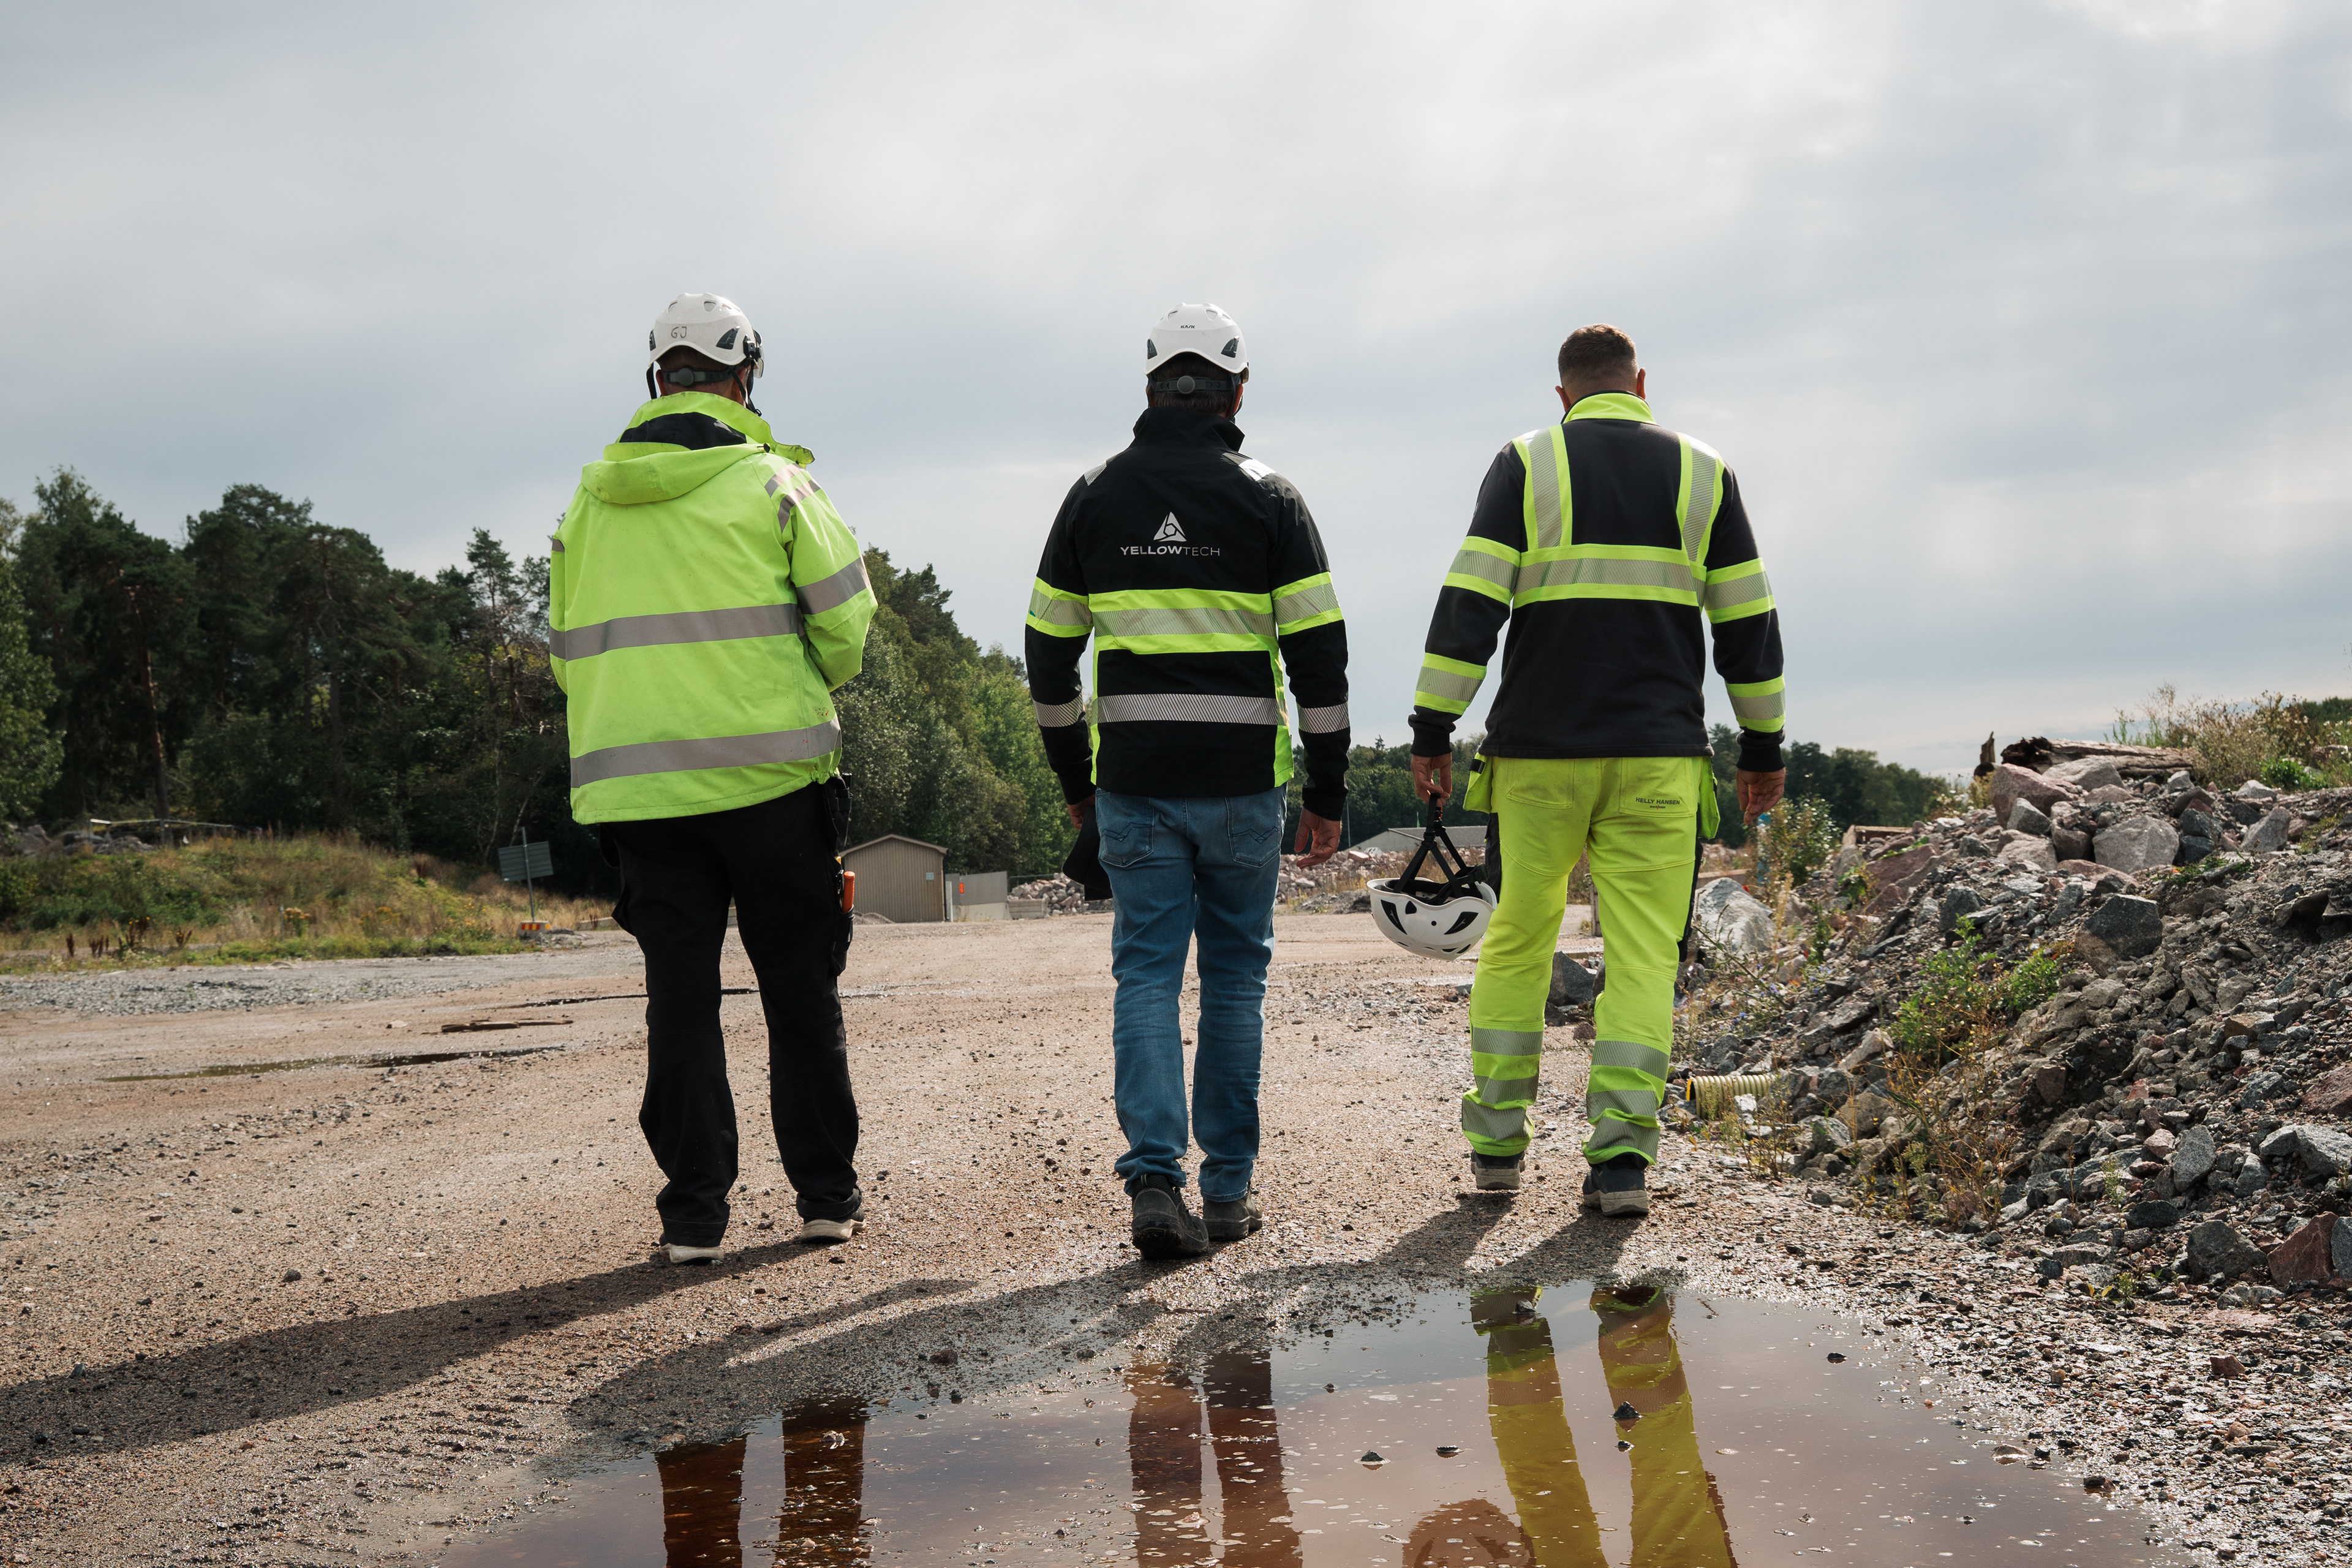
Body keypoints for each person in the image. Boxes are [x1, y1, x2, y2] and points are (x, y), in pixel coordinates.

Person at [1408, 323, 1785, 1216]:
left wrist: (1432, 727)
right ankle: (1620, 1162)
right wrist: (1763, 744)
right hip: (1659, 758)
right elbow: (1747, 619)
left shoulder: (1526, 463)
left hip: (1539, 756)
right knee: (1645, 955)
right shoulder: (1705, 470)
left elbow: (1470, 603)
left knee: (1518, 939)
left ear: (1564, 395)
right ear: (1640, 384)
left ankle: (1497, 1147)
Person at [550, 292, 876, 1263]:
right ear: (744, 380)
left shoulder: (586, 507)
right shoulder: (774, 484)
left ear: (659, 379)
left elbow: (567, 654)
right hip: (773, 783)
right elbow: (847, 625)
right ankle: (825, 1196)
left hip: (642, 797)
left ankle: (693, 1216)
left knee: (681, 1002)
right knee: (798, 988)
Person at [1026, 303, 1349, 1259]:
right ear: (1236, 394)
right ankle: (1230, 1193)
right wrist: (1328, 793)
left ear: (1151, 388)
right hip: (1243, 784)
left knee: (1147, 974)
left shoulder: (1093, 496)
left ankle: (1155, 1182)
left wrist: (1074, 781)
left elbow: (1047, 658)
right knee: (1235, 983)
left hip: (1135, 782)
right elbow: (1320, 662)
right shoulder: (1272, 500)